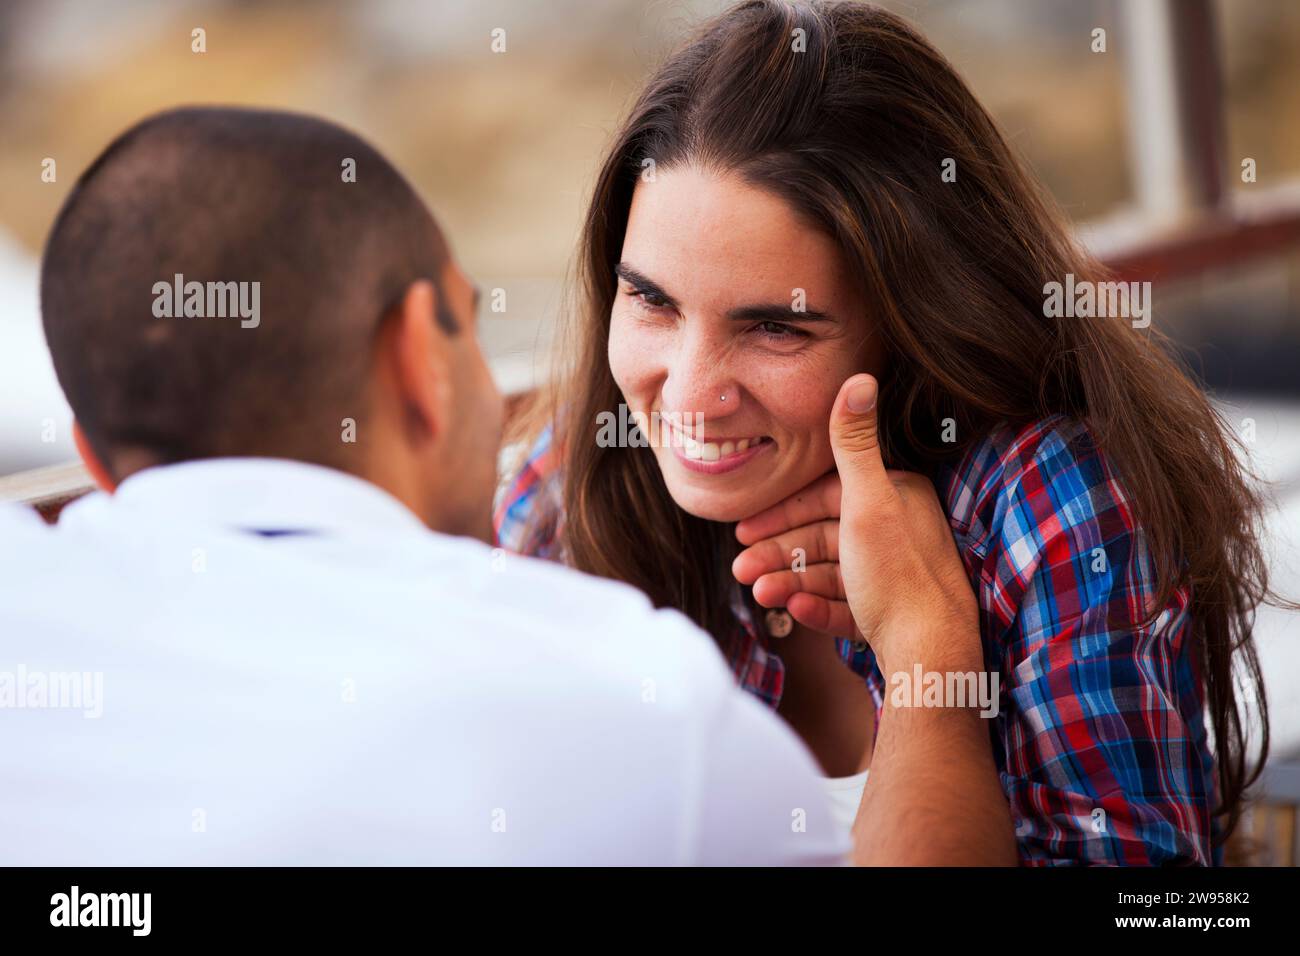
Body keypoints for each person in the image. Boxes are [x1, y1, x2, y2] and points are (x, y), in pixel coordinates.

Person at [496, 0, 1277, 865]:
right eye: (652, 300)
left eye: (774, 328)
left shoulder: (1048, 498)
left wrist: (925, 652)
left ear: (911, 320)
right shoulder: (573, 475)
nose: (688, 394)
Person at [0, 106, 850, 866]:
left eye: (775, 326)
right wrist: (932, 657)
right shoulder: (643, 707)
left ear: (95, 461)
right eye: (469, 329)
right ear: (420, 359)